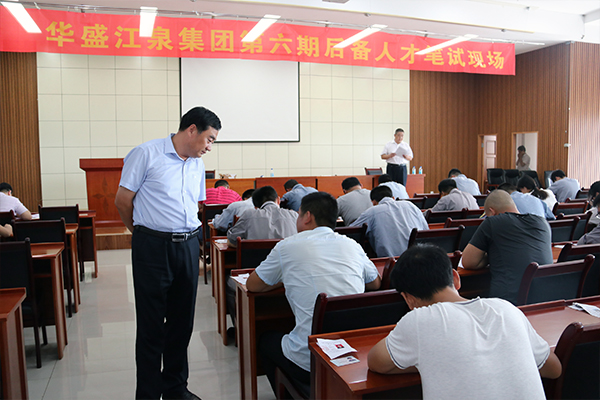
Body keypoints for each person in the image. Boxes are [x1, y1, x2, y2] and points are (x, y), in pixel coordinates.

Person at [114, 106, 221, 400]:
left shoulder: (197, 164)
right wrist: (140, 232)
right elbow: (123, 200)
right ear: (192, 130)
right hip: (153, 246)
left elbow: (194, 205)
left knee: (181, 323)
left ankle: (175, 388)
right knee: (151, 325)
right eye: (210, 139)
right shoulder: (146, 154)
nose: (210, 147)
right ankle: (148, 394)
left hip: (188, 245)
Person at [368, 244, 561, 400]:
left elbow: (376, 362)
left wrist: (432, 359)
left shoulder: (419, 321)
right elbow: (554, 368)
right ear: (455, 278)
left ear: (408, 299)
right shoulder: (507, 308)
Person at [246, 192, 381, 396]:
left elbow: (253, 285)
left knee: (265, 340)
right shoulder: (351, 244)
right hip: (353, 355)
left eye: (299, 214)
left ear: (307, 216)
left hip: (311, 360)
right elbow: (375, 283)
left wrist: (286, 276)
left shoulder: (287, 246)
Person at [462, 190, 553, 305]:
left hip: (508, 303)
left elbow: (468, 262)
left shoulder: (492, 222)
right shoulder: (542, 222)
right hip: (545, 300)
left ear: (492, 211)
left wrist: (492, 254)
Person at [351, 186, 428, 257]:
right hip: (421, 256)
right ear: (393, 197)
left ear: (373, 202)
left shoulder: (372, 212)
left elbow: (352, 231)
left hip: (391, 261)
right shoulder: (411, 205)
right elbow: (425, 229)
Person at [227, 186, 298, 246]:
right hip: (288, 258)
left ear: (255, 207)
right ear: (278, 200)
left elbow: (232, 239)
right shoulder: (293, 215)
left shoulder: (249, 214)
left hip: (257, 258)